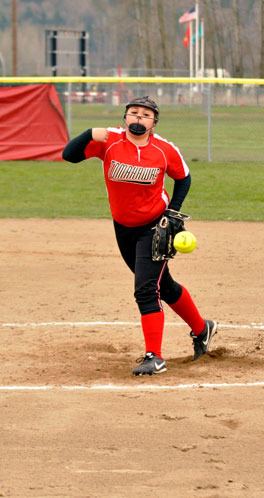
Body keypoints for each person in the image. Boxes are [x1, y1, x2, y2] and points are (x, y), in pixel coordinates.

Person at [62, 96, 218, 376]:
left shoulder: (163, 149)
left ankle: (154, 356)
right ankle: (202, 328)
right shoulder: (109, 142)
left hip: (154, 227)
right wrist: (90, 133)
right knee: (164, 286)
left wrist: (172, 213)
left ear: (153, 123)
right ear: (125, 118)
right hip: (123, 228)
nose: (138, 118)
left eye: (145, 115)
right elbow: (68, 155)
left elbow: (183, 178)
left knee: (145, 289)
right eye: (133, 113)